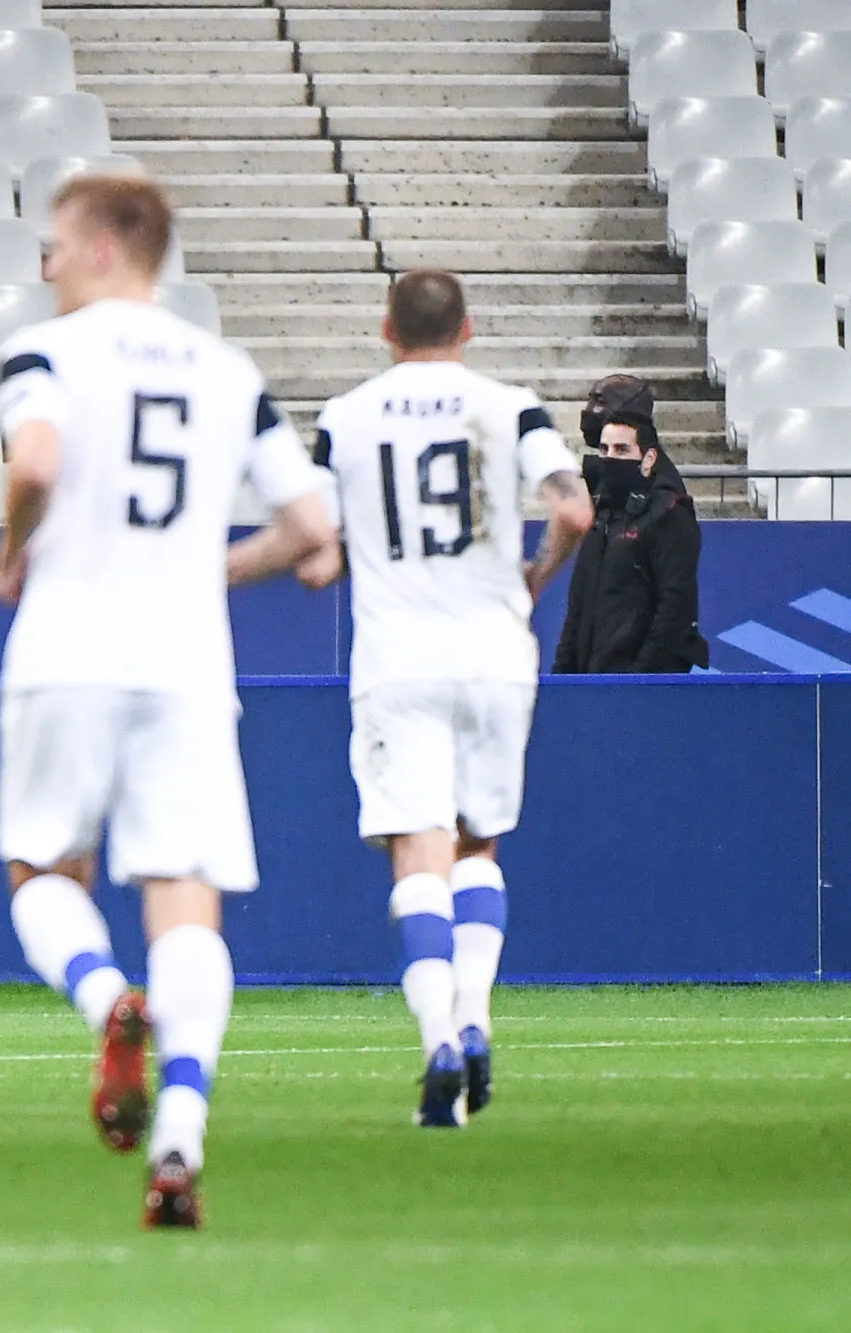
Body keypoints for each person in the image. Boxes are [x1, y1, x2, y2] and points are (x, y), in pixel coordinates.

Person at [0, 173, 335, 1227]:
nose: (45, 265)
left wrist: (9, 552)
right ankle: (179, 1139)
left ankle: (108, 1001)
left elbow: (36, 461)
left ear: (102, 247)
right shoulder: (227, 371)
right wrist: (213, 569)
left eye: (55, 245)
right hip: (187, 663)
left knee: (42, 868)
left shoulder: (42, 352)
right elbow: (313, 530)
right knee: (185, 899)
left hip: (68, 648)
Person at [287, 269, 593, 1128]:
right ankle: (476, 1018)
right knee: (477, 845)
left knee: (418, 854)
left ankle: (438, 1044)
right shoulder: (512, 407)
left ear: (387, 330)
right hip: (495, 653)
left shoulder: (346, 417)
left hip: (399, 658)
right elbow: (573, 510)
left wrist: (328, 562)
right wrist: (534, 579)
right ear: (469, 328)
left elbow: (316, 546)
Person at [552, 410, 710, 674]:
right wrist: (562, 674)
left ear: (649, 459)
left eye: (622, 449)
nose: (610, 458)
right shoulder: (599, 514)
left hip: (644, 683)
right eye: (604, 449)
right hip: (589, 680)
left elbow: (675, 605)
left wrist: (639, 677)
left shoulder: (669, 513)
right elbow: (578, 605)